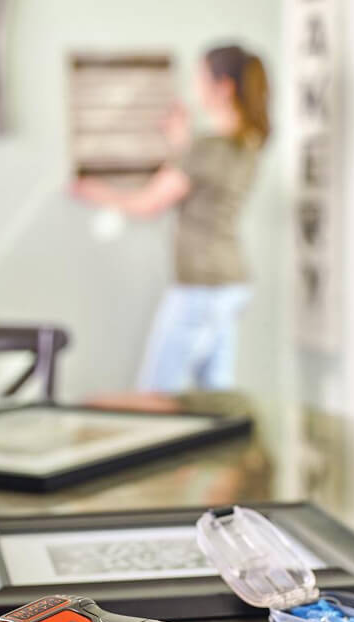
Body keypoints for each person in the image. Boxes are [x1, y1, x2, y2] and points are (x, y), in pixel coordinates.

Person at [73, 44, 270, 392]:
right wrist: (183, 144)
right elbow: (202, 180)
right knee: (215, 395)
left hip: (201, 285)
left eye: (199, 79)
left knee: (156, 394)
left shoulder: (207, 148)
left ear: (223, 87)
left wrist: (94, 191)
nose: (194, 88)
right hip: (230, 282)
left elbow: (148, 203)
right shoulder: (248, 143)